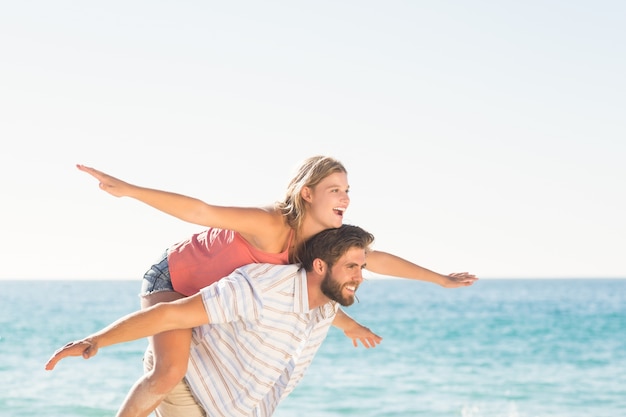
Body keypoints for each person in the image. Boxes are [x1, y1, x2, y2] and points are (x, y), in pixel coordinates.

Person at [76, 155, 477, 417]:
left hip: (216, 293)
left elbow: (366, 264)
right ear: (307, 193)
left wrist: (439, 279)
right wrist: (129, 190)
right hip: (174, 280)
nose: (346, 198)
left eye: (348, 191)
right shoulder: (272, 225)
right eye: (335, 190)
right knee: (169, 372)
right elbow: (201, 210)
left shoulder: (320, 245)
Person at [46, 225, 376, 417]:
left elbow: (326, 312)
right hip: (192, 384)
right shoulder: (262, 288)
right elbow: (169, 314)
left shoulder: (326, 305)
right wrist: (96, 340)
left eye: (361, 268)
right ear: (319, 266)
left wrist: (351, 326)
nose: (359, 277)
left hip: (229, 406)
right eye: (351, 268)